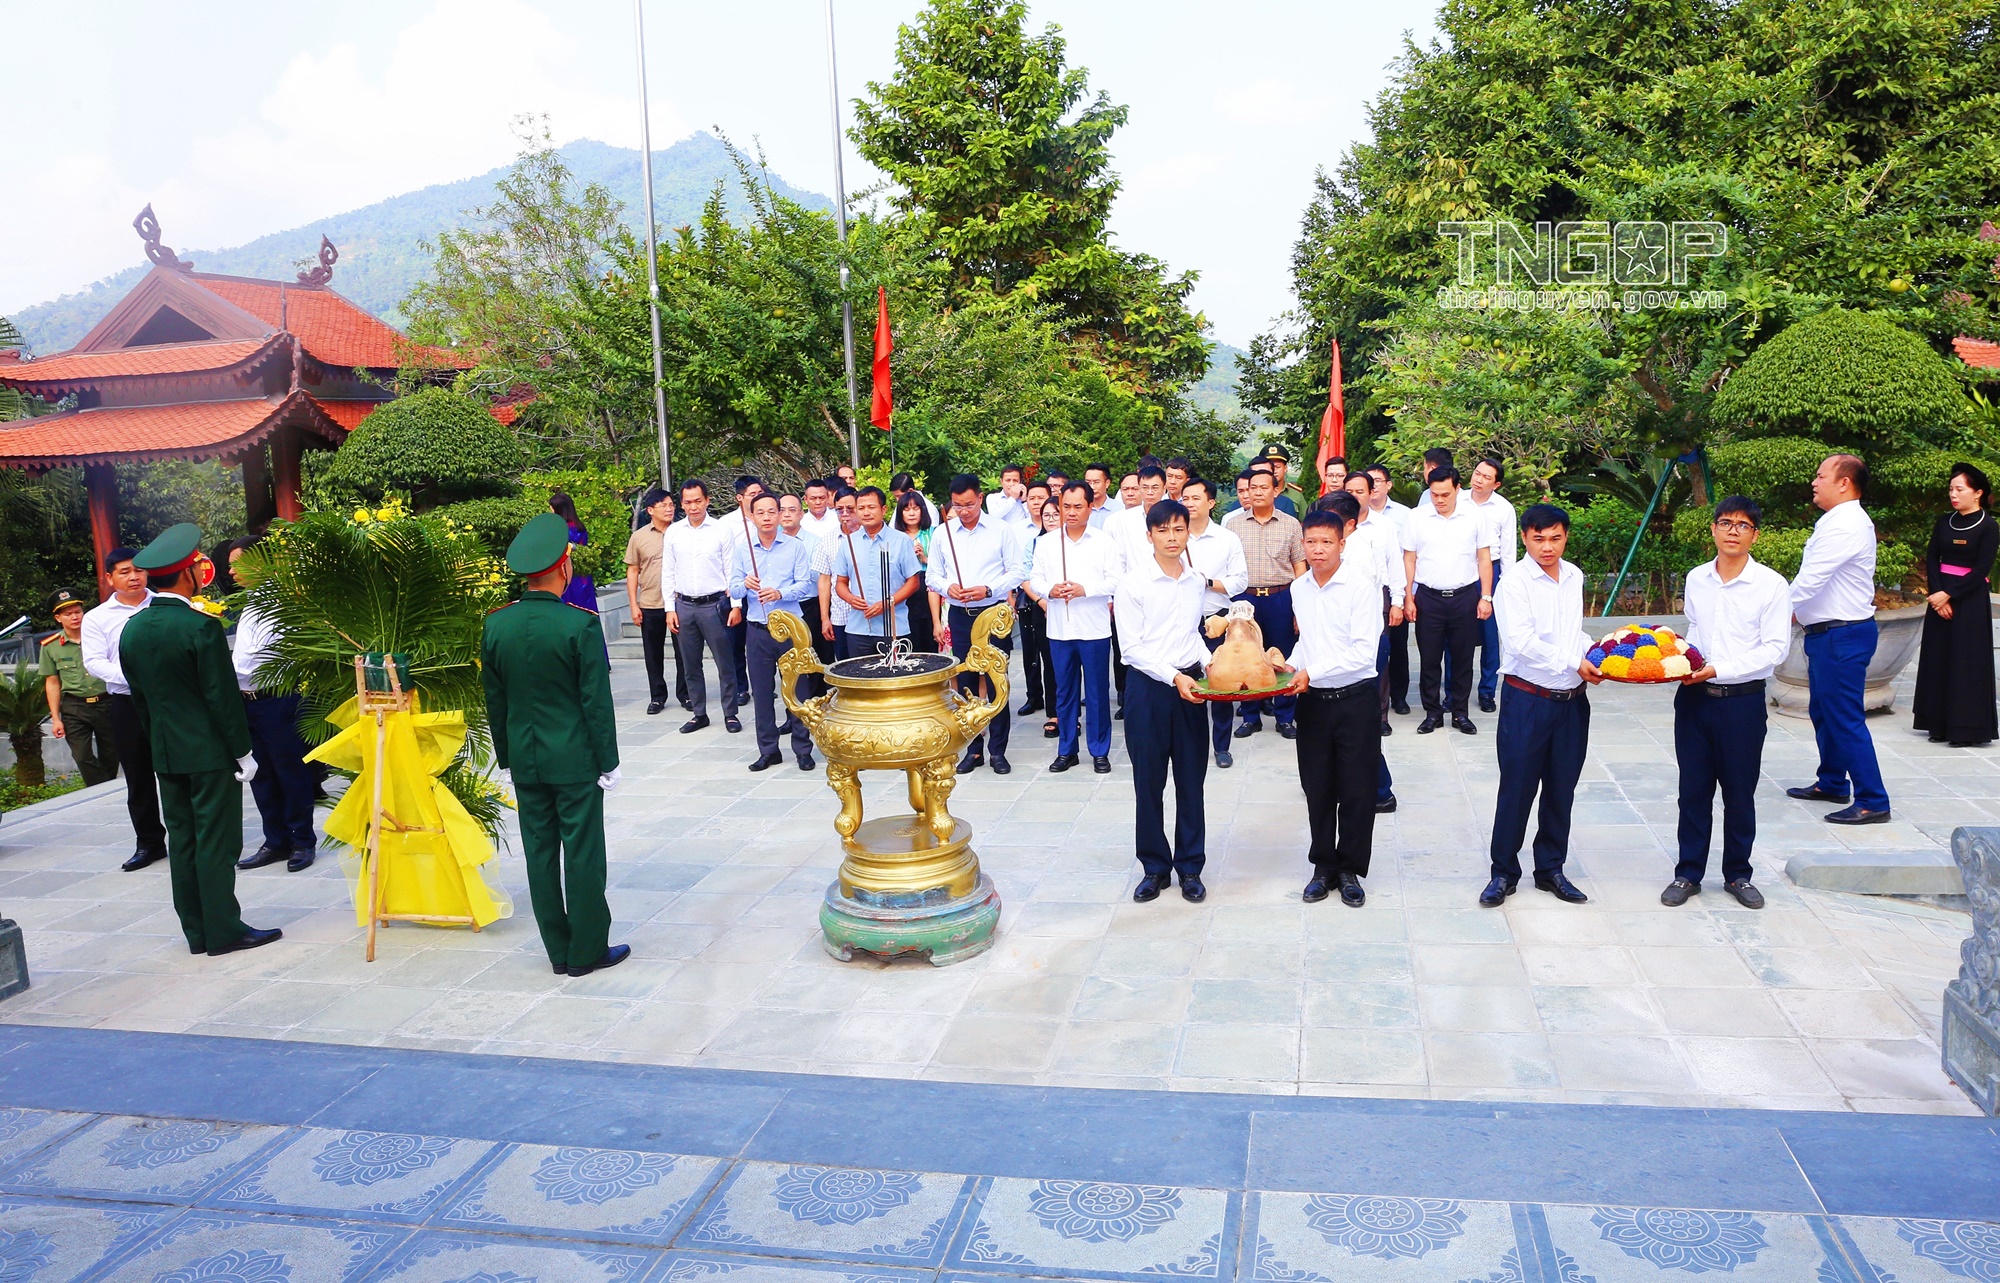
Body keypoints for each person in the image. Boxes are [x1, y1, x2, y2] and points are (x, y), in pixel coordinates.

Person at [118, 523, 278, 957]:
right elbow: (221, 698)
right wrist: (242, 751)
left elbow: (142, 701)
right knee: (216, 840)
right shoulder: (200, 627)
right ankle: (224, 930)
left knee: (184, 840)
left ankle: (197, 931)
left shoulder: (131, 630)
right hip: (208, 754)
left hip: (167, 753)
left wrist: (159, 746)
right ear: (189, 573)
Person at [485, 513, 627, 978]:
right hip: (574, 760)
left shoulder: (497, 625)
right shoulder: (578, 625)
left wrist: (505, 757)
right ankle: (587, 950)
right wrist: (608, 761)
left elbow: (495, 697)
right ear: (564, 566)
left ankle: (559, 950)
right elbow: (594, 703)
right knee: (582, 852)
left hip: (526, 761)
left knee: (540, 855)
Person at [1665, 496, 1791, 911]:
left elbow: (1775, 649)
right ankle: (1688, 874)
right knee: (1693, 790)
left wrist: (1717, 668)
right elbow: (1696, 629)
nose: (1733, 530)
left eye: (1743, 525)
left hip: (1741, 702)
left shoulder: (1771, 585)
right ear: (1714, 530)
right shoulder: (1697, 577)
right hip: (1695, 699)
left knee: (1739, 792)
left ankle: (1738, 874)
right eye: (1725, 523)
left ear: (1755, 534)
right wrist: (1682, 659)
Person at [1482, 504, 1599, 908]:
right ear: (1525, 538)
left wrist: (1599, 655)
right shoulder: (1513, 584)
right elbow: (1521, 644)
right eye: (1538, 538)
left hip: (1572, 702)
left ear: (1566, 537)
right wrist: (1574, 661)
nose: (1547, 546)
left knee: (1561, 788)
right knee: (1517, 788)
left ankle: (1551, 869)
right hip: (1527, 701)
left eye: (1555, 538)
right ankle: (1503, 873)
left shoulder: (1574, 576)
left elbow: (1572, 632)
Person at [1284, 505, 1385, 907]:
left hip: (1355, 699)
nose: (1319, 549)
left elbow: (1364, 653)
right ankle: (1322, 866)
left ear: (1343, 544)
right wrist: (1289, 664)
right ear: (1303, 544)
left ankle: (1350, 869)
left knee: (1357, 789)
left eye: (1327, 542)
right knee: (1317, 787)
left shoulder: (1361, 586)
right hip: (1313, 702)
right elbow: (1307, 641)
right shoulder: (1299, 588)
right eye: (1311, 542)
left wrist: (1313, 670)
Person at [1785, 453, 1892, 824]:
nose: (1814, 482)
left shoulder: (1845, 525)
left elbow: (1811, 579)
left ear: (1844, 482)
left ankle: (1873, 800)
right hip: (1830, 634)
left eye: (1820, 475)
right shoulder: (1837, 520)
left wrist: (1771, 614)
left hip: (1840, 635)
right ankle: (1831, 782)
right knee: (1825, 713)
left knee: (1844, 718)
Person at [1115, 499, 1211, 904]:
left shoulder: (1196, 580)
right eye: (1163, 531)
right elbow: (1131, 649)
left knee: (1191, 782)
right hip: (1149, 691)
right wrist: (1174, 676)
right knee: (1148, 783)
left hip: (1192, 688)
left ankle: (1190, 867)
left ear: (1188, 532)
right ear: (1150, 535)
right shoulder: (1133, 584)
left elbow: (1192, 636)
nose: (1172, 538)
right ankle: (1155, 867)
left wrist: (1215, 664)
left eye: (1178, 529)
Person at [928, 474, 1026, 774]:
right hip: (959, 615)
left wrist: (988, 588)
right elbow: (932, 575)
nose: (964, 511)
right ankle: (973, 750)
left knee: (997, 682)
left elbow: (1018, 571)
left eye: (969, 504)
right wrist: (948, 588)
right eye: (958, 505)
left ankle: (998, 750)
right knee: (966, 684)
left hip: (992, 613)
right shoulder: (943, 533)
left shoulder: (1000, 529)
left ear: (980, 499)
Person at [230, 542, 318, 873]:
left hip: (277, 697)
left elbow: (261, 657)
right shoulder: (250, 602)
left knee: (289, 771)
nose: (231, 572)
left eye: (237, 564)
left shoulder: (280, 600)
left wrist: (221, 671)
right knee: (261, 773)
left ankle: (301, 841)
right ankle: (275, 840)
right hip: (248, 699)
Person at [83, 547, 168, 871]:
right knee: (138, 776)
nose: (133, 577)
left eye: (138, 570)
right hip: (127, 704)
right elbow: (94, 662)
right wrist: (136, 680)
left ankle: (191, 836)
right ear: (109, 577)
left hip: (169, 702)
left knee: (180, 769)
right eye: (124, 572)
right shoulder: (97, 618)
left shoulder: (165, 605)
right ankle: (149, 843)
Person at [1032, 481, 1120, 773]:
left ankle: (1099, 750)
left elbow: (1116, 580)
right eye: (1065, 506)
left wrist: (1086, 589)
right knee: (1064, 692)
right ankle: (1066, 749)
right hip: (1059, 629)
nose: (1070, 512)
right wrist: (1050, 590)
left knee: (1096, 692)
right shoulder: (1046, 542)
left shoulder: (1103, 541)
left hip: (1094, 629)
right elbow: (1036, 579)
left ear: (1091, 507)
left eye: (1077, 507)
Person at [730, 493, 817, 772]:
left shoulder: (794, 547)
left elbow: (805, 585)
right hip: (758, 629)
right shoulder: (744, 550)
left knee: (799, 689)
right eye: (761, 513)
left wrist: (780, 592)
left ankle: (803, 749)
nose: (767, 517)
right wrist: (744, 584)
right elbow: (732, 589)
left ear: (780, 515)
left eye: (772, 512)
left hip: (792, 628)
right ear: (752, 517)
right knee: (762, 692)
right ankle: (768, 750)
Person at [1402, 465, 1493, 734]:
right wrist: (1408, 597)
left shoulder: (1474, 516)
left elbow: (1484, 557)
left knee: (1463, 658)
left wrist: (1485, 596)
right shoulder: (1417, 517)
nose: (1439, 500)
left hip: (1465, 596)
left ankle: (1460, 713)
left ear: (1457, 488)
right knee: (1429, 658)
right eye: (1434, 494)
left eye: (1445, 494)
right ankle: (1432, 713)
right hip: (1427, 597)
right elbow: (1409, 558)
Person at [1913, 462, 1997, 747]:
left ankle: (1966, 728)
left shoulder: (1988, 526)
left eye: (1960, 489)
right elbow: (1932, 559)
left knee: (1966, 663)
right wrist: (1937, 596)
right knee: (1938, 660)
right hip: (1939, 600)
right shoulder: (1943, 522)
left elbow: (1981, 569)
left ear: (1977, 493)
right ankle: (1936, 723)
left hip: (1969, 601)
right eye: (1951, 489)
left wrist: (1949, 595)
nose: (1954, 494)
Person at [1224, 470, 1307, 740]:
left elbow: (1299, 567)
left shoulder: (1291, 524)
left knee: (1282, 657)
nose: (1257, 492)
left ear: (1276, 491)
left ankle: (1285, 717)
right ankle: (1250, 716)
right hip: (1245, 599)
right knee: (1246, 657)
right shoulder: (1233, 526)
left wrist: (1300, 607)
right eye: (1251, 488)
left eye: (1263, 487)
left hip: (1281, 597)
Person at [1180, 477, 1249, 767]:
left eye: (1196, 498)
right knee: (1189, 685)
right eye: (1185, 498)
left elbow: (1241, 581)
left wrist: (1207, 582)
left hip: (1217, 620)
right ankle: (1190, 747)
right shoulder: (1174, 537)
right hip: (1183, 621)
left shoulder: (1227, 538)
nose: (1190, 504)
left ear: (1210, 503)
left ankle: (1222, 746)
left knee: (1222, 685)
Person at [665, 480, 741, 735]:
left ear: (707, 500)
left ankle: (730, 713)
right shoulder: (674, 532)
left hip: (715, 604)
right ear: (682, 504)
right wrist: (669, 608)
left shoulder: (721, 530)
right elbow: (668, 572)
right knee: (690, 663)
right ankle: (699, 713)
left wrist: (736, 605)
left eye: (698, 500)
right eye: (687, 502)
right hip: (684, 605)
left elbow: (732, 570)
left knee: (724, 662)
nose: (693, 506)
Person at [832, 486, 924, 662]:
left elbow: (913, 582)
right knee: (862, 682)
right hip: (858, 628)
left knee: (895, 681)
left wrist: (888, 603)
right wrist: (851, 598)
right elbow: (840, 583)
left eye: (871, 507)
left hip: (894, 627)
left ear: (883, 510)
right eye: (861, 508)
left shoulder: (901, 540)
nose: (866, 512)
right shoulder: (849, 543)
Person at [39, 587, 117, 786]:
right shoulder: (51, 646)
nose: (75, 617)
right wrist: (56, 718)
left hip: (105, 702)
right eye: (68, 614)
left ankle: (104, 790)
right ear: (58, 618)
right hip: (74, 707)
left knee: (112, 753)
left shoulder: (101, 637)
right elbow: (53, 682)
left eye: (78, 612)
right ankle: (98, 789)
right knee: (82, 756)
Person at [625, 488, 688, 716]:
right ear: (650, 510)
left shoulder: (683, 532)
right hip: (651, 603)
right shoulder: (639, 537)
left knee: (684, 652)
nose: (670, 508)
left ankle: (686, 694)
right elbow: (633, 571)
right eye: (664, 505)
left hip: (679, 604)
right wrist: (634, 604)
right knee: (653, 654)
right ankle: (657, 696)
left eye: (672, 504)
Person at [1467, 458, 1517, 713]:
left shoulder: (1504, 509)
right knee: (1457, 634)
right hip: (1462, 569)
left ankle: (1487, 692)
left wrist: (1504, 587)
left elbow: (1509, 551)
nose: (1479, 479)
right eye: (1477, 473)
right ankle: (1455, 692)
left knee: (1490, 636)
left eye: (1486, 477)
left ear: (1496, 484)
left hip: (1493, 570)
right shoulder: (1458, 500)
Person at [1366, 464, 1414, 715]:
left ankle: (1400, 696)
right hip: (1368, 590)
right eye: (1369, 482)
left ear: (1389, 485)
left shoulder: (1404, 515)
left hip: (1395, 586)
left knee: (1397, 644)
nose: (1373, 487)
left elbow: (1408, 556)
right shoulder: (1353, 516)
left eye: (1378, 481)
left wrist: (1406, 595)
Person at [1017, 495, 1062, 729]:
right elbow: (1025, 578)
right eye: (1047, 515)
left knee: (1066, 662)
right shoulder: (1033, 544)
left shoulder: (1071, 544)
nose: (1051, 519)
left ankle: (1070, 714)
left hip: (1070, 606)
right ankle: (1053, 714)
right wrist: (1043, 601)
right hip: (1041, 607)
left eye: (1056, 514)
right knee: (1048, 660)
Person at [813, 488, 862, 663]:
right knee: (845, 666)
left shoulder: (871, 536)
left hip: (870, 614)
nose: (845, 514)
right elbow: (825, 581)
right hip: (841, 616)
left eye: (850, 509)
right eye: (839, 510)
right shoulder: (827, 540)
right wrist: (825, 619)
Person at [895, 489, 940, 654]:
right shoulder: (895, 536)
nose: (911, 513)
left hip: (929, 589)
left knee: (930, 639)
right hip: (904, 589)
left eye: (915, 509)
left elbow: (941, 565)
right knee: (910, 639)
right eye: (906, 509)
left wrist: (924, 559)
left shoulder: (934, 532)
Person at [548, 492, 598, 614]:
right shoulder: (580, 527)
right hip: (583, 576)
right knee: (586, 610)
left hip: (565, 575)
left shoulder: (558, 529)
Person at [801, 478, 842, 543]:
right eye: (813, 498)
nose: (818, 502)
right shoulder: (801, 522)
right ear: (805, 499)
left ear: (828, 497)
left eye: (822, 498)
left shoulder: (839, 519)